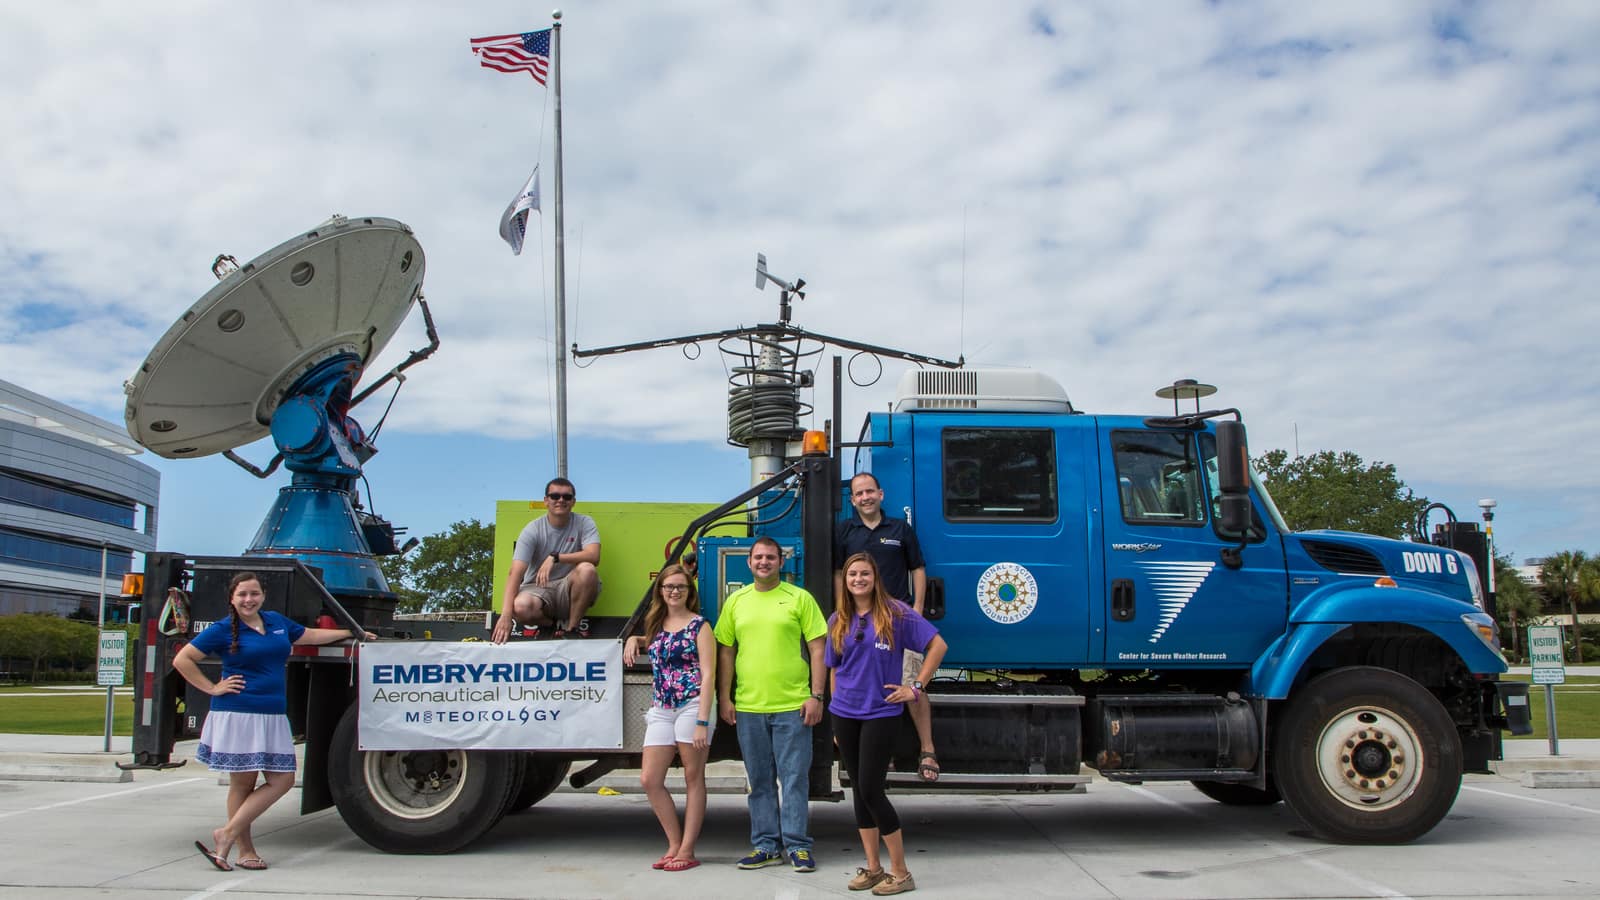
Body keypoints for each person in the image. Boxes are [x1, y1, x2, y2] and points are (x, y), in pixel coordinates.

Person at [173, 571, 374, 872]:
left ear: (263, 596)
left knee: (282, 780)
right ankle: (244, 850)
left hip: (272, 714)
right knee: (243, 783)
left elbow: (308, 634)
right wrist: (213, 687)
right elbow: (182, 660)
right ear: (232, 598)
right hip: (239, 713)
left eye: (254, 593)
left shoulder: (277, 623)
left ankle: (225, 834)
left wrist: (350, 633)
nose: (248, 599)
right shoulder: (223, 628)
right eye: (242, 594)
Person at [826, 553, 947, 895]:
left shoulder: (895, 613)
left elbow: (937, 645)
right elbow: (835, 668)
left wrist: (916, 686)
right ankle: (874, 869)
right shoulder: (838, 618)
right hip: (845, 713)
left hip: (880, 713)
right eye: (852, 574)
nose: (858, 579)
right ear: (845, 581)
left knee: (871, 790)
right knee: (859, 793)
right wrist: (835, 712)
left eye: (864, 573)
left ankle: (901, 872)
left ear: (874, 578)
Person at [715, 537, 828, 874]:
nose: (764, 562)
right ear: (749, 563)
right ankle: (766, 845)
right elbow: (726, 652)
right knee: (759, 780)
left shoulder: (800, 598)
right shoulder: (735, 602)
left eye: (771, 557)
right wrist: (725, 697)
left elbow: (819, 649)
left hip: (793, 704)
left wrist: (817, 695)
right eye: (758, 557)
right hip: (749, 706)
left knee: (794, 779)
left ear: (782, 562)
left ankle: (797, 846)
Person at [834, 471, 939, 782]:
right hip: (863, 622)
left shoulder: (900, 528)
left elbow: (917, 568)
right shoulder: (845, 532)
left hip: (899, 622)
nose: (865, 497)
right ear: (852, 501)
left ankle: (928, 748)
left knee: (913, 683)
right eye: (859, 494)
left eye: (870, 491)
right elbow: (840, 574)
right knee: (872, 685)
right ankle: (883, 753)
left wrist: (917, 610)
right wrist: (843, 610)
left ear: (880, 494)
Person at [622, 564, 715, 872]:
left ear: (690, 593)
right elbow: (659, 645)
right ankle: (673, 843)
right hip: (661, 707)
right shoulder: (657, 624)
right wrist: (636, 640)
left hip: (692, 706)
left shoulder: (700, 626)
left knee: (692, 777)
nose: (674, 591)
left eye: (681, 587)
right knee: (650, 779)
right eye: (669, 586)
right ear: (660, 591)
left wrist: (703, 719)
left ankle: (687, 850)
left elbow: (709, 672)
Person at [493, 477, 601, 642]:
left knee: (587, 569)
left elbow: (594, 556)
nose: (560, 500)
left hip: (567, 589)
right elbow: (515, 572)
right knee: (521, 606)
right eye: (555, 496)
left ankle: (571, 630)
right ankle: (551, 626)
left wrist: (555, 557)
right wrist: (506, 615)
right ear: (546, 500)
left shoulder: (585, 522)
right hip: (538, 589)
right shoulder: (532, 530)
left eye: (567, 497)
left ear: (573, 502)